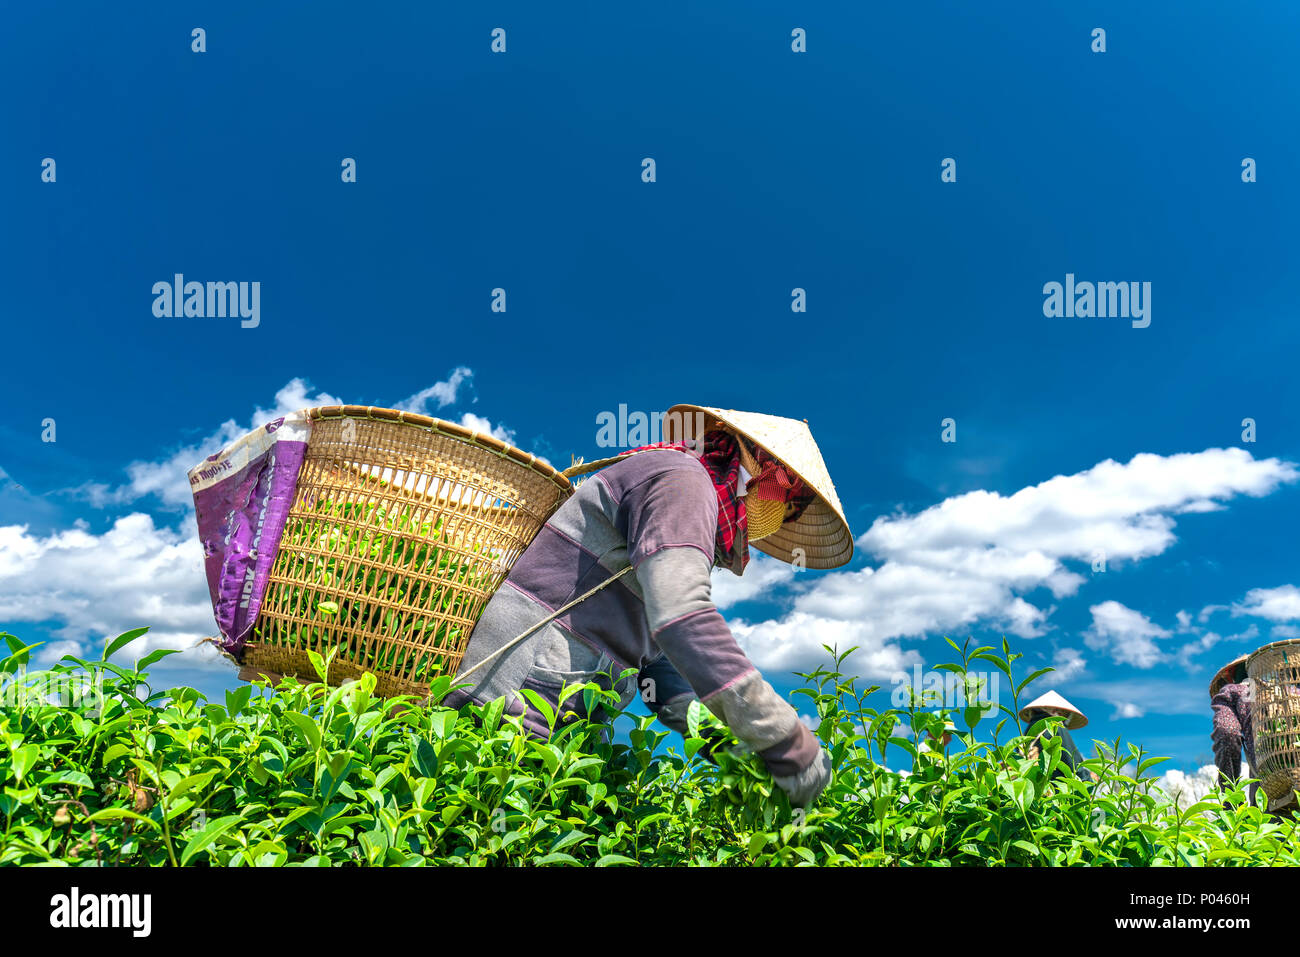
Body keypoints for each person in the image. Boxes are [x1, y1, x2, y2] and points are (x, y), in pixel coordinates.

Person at [444, 404, 854, 808]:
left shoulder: (690, 496)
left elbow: (659, 671)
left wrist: (734, 755)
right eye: (793, 502)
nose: (785, 516)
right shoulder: (682, 482)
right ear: (766, 473)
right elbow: (682, 618)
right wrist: (788, 741)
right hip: (518, 702)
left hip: (568, 719)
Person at [1020, 690, 1092, 781]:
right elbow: (1074, 766)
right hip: (1054, 789)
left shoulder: (1028, 732)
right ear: (1057, 711)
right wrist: (1088, 780)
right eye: (1065, 715)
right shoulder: (1056, 727)